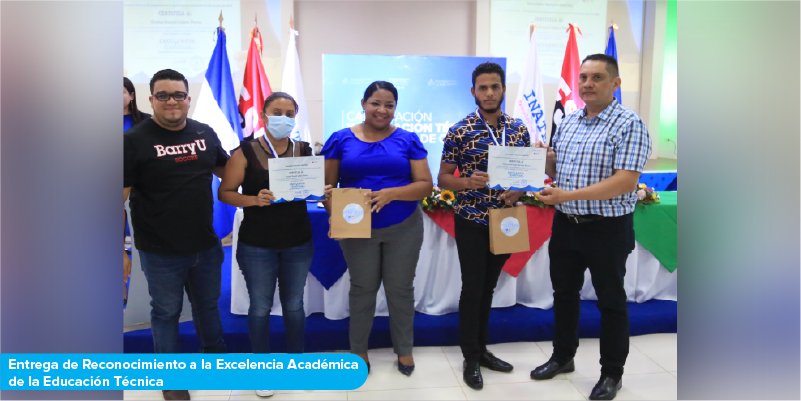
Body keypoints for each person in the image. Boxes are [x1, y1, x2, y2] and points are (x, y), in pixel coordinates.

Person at [530, 54, 652, 401]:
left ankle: (612, 373)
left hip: (607, 229)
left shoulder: (629, 124)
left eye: (597, 77)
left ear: (615, 83)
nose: (587, 83)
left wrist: (566, 193)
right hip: (567, 225)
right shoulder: (568, 121)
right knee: (564, 295)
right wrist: (545, 157)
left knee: (611, 302)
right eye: (583, 77)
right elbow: (560, 168)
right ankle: (563, 356)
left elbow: (625, 182)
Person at [123, 69, 229, 401]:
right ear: (151, 99)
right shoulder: (133, 141)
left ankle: (215, 361)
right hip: (160, 249)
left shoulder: (205, 132)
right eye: (164, 95)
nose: (172, 101)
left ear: (188, 98)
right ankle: (170, 377)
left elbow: (229, 172)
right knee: (166, 312)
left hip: (205, 244)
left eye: (178, 95)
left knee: (208, 307)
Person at [218, 92, 326, 398]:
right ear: (264, 115)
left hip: (297, 240)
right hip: (257, 244)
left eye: (290, 113)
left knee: (294, 305)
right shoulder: (245, 151)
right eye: (277, 112)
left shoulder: (304, 150)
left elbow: (314, 191)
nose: (284, 118)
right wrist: (253, 199)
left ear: (295, 117)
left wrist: (324, 190)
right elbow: (225, 192)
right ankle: (262, 368)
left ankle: (297, 363)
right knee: (261, 307)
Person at [321, 81, 432, 376]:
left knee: (400, 289)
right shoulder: (340, 139)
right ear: (363, 103)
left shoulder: (407, 139)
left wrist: (390, 194)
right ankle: (358, 350)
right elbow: (328, 189)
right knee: (362, 289)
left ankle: (404, 350)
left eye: (389, 105)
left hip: (404, 225)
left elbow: (425, 185)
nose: (382, 110)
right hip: (357, 229)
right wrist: (337, 219)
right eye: (375, 103)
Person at [437, 62, 532, 390]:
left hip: (506, 221)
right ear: (473, 91)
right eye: (483, 88)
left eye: (495, 87)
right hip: (472, 220)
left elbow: (527, 177)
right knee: (473, 287)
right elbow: (443, 179)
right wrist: (466, 182)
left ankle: (483, 349)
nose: (489, 93)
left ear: (503, 89)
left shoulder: (519, 130)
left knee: (489, 287)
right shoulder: (459, 130)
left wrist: (519, 189)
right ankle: (471, 356)